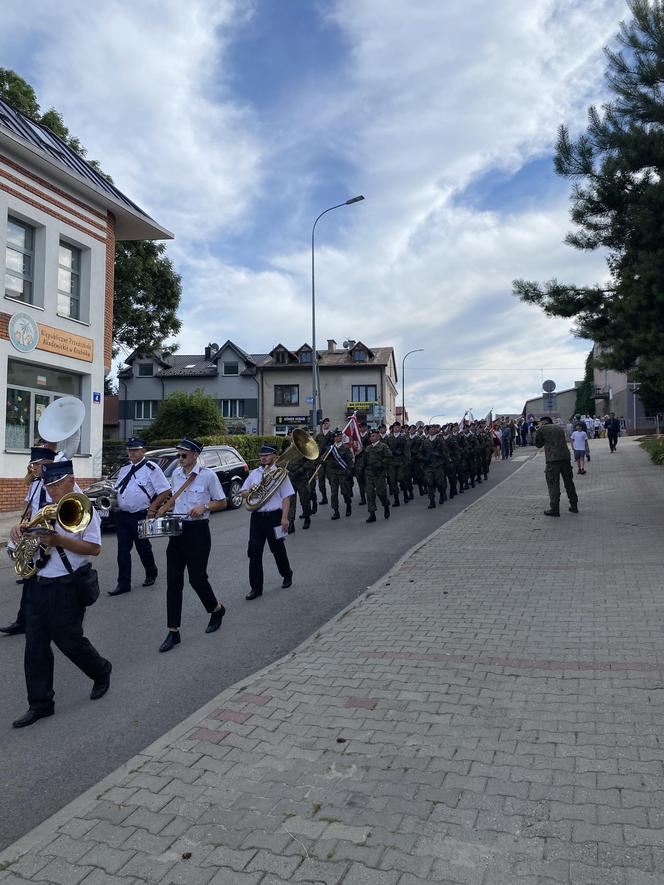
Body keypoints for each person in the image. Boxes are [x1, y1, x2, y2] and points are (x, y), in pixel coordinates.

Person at [12, 460, 112, 728]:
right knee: (35, 647)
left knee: (69, 641)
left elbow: (93, 548)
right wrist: (21, 534)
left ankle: (101, 670)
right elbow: (31, 542)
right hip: (38, 582)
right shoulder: (46, 504)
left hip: (67, 584)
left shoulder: (81, 505)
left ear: (71, 479)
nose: (53, 490)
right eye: (49, 485)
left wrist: (57, 540)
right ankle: (40, 704)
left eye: (57, 484)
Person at [158, 438, 227, 653]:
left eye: (184, 455)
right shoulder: (176, 475)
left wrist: (204, 506)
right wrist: (164, 510)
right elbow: (177, 500)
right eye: (178, 454)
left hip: (198, 531)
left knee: (197, 579)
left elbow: (222, 502)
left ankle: (216, 609)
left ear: (195, 455)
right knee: (173, 582)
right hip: (178, 531)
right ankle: (173, 631)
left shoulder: (208, 476)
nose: (180, 458)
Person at [1, 447, 57, 636]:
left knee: (45, 581)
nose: (32, 467)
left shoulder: (58, 483)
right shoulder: (35, 482)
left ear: (48, 463)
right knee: (30, 579)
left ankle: (45, 620)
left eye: (36, 463)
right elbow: (30, 506)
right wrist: (23, 523)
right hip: (35, 533)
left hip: (51, 537)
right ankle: (23, 621)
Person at [109, 438, 171, 597]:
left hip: (140, 514)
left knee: (143, 547)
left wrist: (153, 507)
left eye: (135, 450)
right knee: (122, 551)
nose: (132, 453)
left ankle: (151, 572)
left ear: (143, 451)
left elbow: (165, 490)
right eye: (130, 450)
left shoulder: (152, 468)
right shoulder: (125, 468)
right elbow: (118, 489)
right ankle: (123, 583)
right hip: (122, 516)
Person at [241, 444, 294, 600]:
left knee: (277, 549)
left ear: (274, 456)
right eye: (261, 455)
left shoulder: (280, 474)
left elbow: (286, 497)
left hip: (274, 517)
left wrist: (285, 518)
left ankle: (287, 574)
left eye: (267, 455)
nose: (263, 457)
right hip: (257, 518)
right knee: (254, 553)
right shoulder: (254, 474)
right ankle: (256, 588)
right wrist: (251, 490)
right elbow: (243, 493)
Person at [535, 416, 579, 517]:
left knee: (553, 484)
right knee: (569, 483)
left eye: (540, 422)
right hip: (565, 458)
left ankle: (554, 509)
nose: (539, 424)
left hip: (552, 460)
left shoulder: (542, 430)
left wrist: (537, 432)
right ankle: (574, 506)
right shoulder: (559, 428)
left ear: (544, 422)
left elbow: (538, 444)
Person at [364, 429, 391, 522]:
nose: (371, 438)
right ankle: (372, 514)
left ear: (378, 436)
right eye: (371, 436)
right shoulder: (368, 448)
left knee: (381, 493)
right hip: (369, 474)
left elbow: (389, 457)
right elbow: (364, 461)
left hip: (379, 474)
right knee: (370, 494)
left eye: (373, 436)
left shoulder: (383, 447)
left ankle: (386, 505)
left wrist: (381, 464)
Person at [327, 429, 354, 519]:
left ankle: (348, 505)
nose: (338, 438)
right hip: (333, 474)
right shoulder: (330, 449)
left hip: (343, 473)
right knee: (334, 493)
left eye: (339, 436)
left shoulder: (346, 448)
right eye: (336, 436)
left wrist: (349, 471)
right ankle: (336, 511)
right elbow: (324, 459)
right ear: (334, 438)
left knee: (345, 492)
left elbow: (350, 461)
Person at [314, 418, 333, 504]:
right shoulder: (318, 436)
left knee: (331, 480)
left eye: (327, 423)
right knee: (321, 480)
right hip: (321, 461)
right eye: (324, 423)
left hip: (329, 461)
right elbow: (316, 448)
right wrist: (318, 459)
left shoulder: (332, 435)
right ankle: (324, 497)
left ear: (329, 424)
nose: (325, 424)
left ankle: (334, 496)